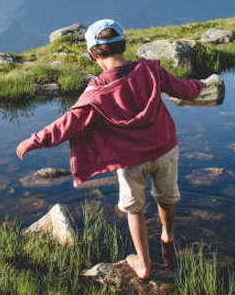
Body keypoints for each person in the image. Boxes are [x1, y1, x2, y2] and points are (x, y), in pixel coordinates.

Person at [16, 19, 204, 280]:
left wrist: (35, 140)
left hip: (130, 161)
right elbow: (183, 89)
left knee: (133, 208)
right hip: (165, 148)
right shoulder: (151, 70)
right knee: (167, 196)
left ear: (93, 54)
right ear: (124, 45)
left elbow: (69, 123)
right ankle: (167, 235)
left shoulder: (97, 91)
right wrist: (202, 86)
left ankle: (144, 265)